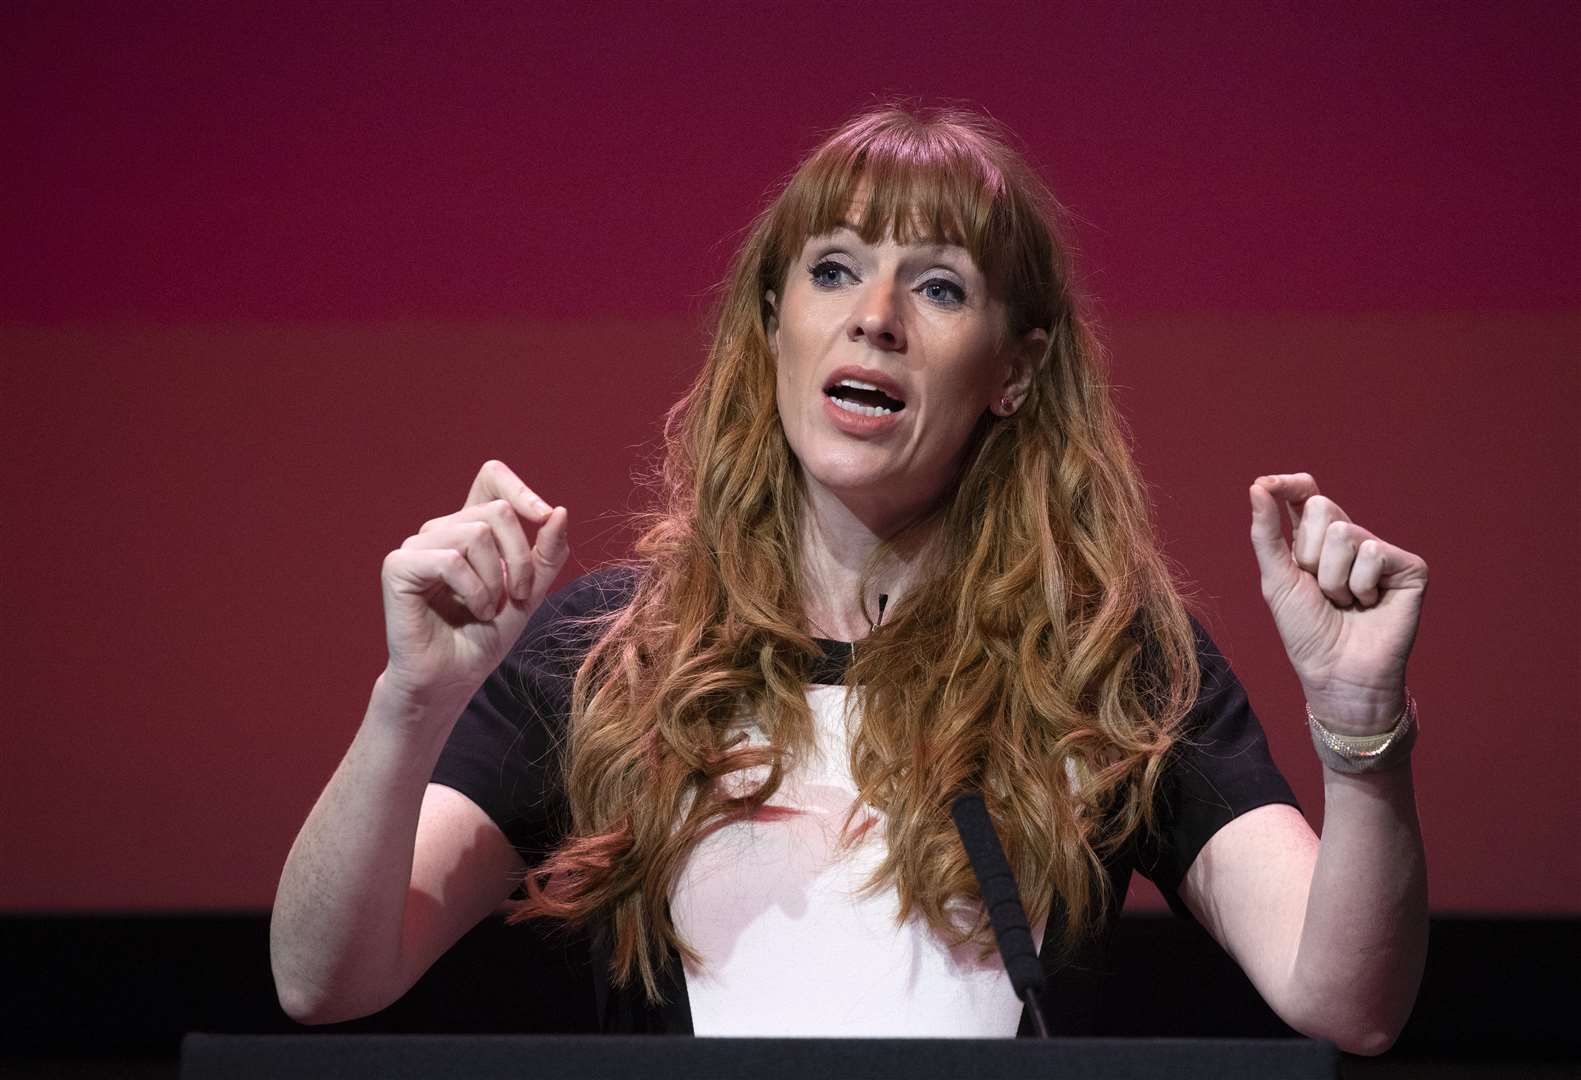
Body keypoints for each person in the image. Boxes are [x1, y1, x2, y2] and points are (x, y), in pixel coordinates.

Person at [270, 106, 1428, 1051]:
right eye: (833, 271)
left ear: (1014, 371)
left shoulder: (1110, 657)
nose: (873, 320)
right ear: (773, 322)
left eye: (938, 288)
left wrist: (1361, 730)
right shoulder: (616, 647)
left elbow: (1345, 1003)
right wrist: (407, 706)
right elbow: (325, 977)